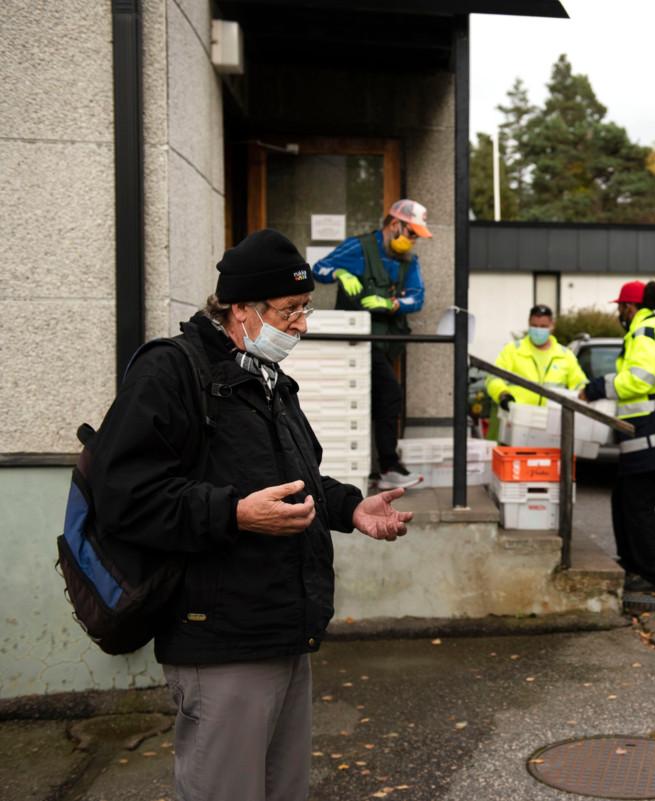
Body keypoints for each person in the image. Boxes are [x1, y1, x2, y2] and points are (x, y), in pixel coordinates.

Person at [89, 228, 415, 801]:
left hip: (286, 631)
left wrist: (349, 507)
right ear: (240, 307)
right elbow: (124, 498)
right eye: (289, 310)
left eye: (305, 309)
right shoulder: (170, 372)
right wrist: (233, 514)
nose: (302, 324)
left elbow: (296, 478)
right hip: (218, 639)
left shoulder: (269, 380)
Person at [581, 280, 655, 598]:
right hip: (648, 436)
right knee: (624, 501)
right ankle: (632, 565)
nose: (619, 313)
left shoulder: (645, 333)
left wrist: (598, 387)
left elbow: (640, 380)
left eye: (620, 308)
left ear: (630, 308)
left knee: (637, 507)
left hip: (650, 435)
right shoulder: (653, 331)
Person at [313, 199, 430, 489]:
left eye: (416, 235)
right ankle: (387, 466)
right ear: (394, 225)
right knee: (389, 395)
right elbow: (318, 269)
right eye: (411, 233)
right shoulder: (359, 248)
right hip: (355, 342)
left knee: (378, 401)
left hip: (385, 343)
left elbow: (417, 298)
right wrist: (340, 272)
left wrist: (391, 303)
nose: (413, 240)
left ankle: (375, 468)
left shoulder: (408, 260)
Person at [487, 304, 587, 412]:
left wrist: (588, 393)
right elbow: (493, 378)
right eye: (534, 326)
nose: (538, 330)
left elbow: (579, 384)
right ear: (529, 324)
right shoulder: (512, 350)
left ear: (552, 326)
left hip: (553, 420)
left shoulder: (565, 355)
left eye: (543, 326)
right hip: (519, 418)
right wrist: (502, 394)